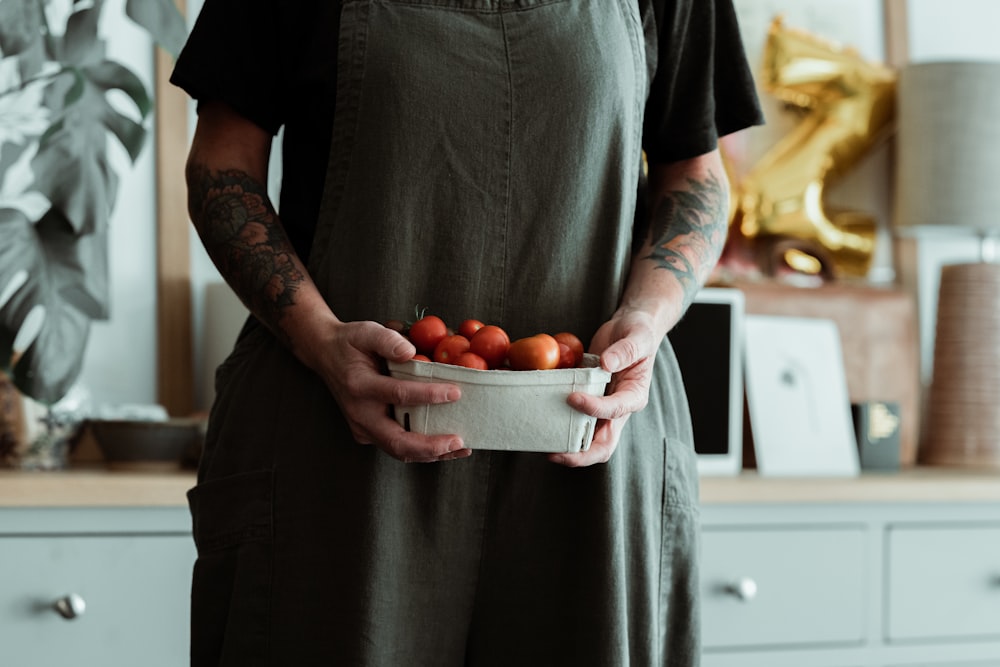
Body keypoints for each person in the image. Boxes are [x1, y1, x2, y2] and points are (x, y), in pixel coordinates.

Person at [171, 1, 763, 664]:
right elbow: (221, 165)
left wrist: (647, 320)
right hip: (334, 453)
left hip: (592, 452)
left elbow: (697, 172)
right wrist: (322, 339)